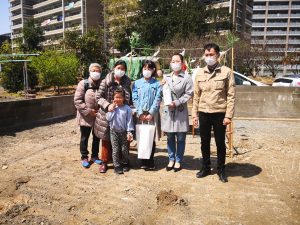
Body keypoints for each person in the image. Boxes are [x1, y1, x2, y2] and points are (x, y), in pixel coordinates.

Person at [192, 43, 236, 183]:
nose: (209, 57)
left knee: (220, 143)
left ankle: (221, 170)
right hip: (204, 112)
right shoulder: (199, 72)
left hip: (219, 113)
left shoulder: (226, 72)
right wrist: (194, 114)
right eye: (207, 55)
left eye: (211, 54)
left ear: (218, 55)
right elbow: (196, 95)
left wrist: (228, 115)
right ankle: (205, 167)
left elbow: (231, 95)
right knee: (204, 142)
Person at [94, 60, 132, 173]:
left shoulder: (127, 82)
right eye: (118, 68)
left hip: (122, 115)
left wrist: (129, 109)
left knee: (123, 141)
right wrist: (108, 105)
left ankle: (123, 161)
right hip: (108, 115)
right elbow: (98, 97)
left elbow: (129, 98)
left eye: (123, 69)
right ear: (114, 68)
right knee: (106, 140)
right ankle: (104, 162)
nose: (120, 70)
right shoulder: (105, 81)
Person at [161, 53, 193, 172]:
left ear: (182, 63)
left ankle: (178, 160)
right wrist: (161, 86)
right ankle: (171, 159)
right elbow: (162, 93)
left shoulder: (186, 78)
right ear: (170, 63)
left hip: (180, 110)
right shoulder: (166, 77)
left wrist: (178, 102)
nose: (175, 63)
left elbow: (189, 93)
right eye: (173, 61)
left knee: (180, 137)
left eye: (177, 61)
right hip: (169, 111)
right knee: (169, 137)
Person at [132, 60, 162, 170]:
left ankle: (150, 160)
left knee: (151, 137)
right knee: (141, 137)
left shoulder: (157, 83)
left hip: (152, 114)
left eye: (149, 68)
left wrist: (151, 113)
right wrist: (140, 113)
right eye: (144, 68)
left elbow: (158, 98)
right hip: (140, 114)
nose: (147, 71)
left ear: (153, 70)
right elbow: (134, 98)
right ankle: (143, 161)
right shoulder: (136, 83)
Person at [74, 63, 103, 168]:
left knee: (97, 137)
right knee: (85, 137)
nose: (96, 73)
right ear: (90, 71)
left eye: (98, 71)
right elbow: (77, 100)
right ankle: (84, 157)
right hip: (85, 117)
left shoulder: (102, 84)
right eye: (94, 70)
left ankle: (95, 156)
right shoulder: (83, 83)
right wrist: (88, 111)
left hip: (98, 116)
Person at [106, 88, 134, 174]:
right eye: (116, 97)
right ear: (113, 98)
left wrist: (129, 132)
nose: (118, 99)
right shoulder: (112, 107)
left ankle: (125, 162)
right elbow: (108, 118)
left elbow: (129, 121)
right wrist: (112, 109)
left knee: (124, 149)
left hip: (123, 132)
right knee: (115, 149)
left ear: (124, 98)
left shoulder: (127, 108)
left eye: (120, 97)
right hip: (113, 131)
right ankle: (116, 165)